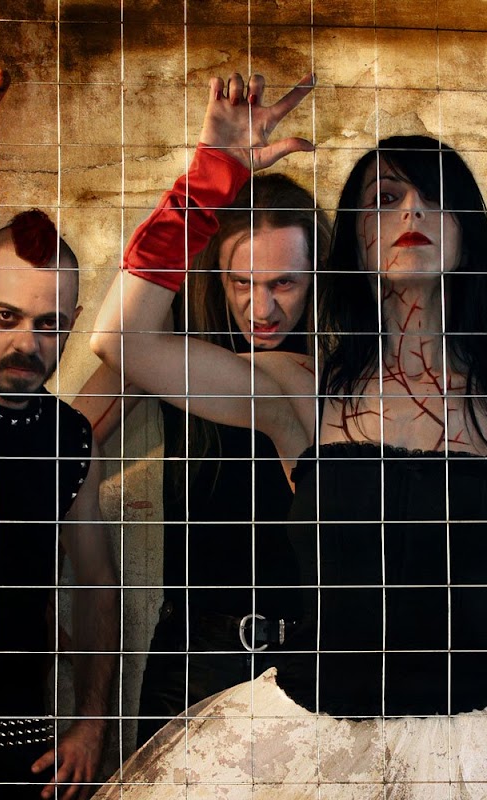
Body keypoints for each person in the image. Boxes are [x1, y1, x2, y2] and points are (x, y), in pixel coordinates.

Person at [91, 72, 487, 798]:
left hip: (480, 749)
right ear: (354, 242)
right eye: (384, 199)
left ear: (467, 233)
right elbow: (122, 340)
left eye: (433, 197)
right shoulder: (303, 390)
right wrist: (212, 175)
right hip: (311, 746)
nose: (410, 211)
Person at [76, 172, 329, 747]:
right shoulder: (173, 351)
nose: (261, 308)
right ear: (217, 273)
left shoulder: (336, 369)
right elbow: (63, 441)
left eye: (284, 283)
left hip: (314, 657)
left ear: (318, 277)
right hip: (196, 663)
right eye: (242, 282)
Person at [0, 63, 118, 800]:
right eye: (6, 317)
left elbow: (96, 584)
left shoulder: (70, 436)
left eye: (50, 325)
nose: (27, 345)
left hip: (21, 751)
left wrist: (92, 721)